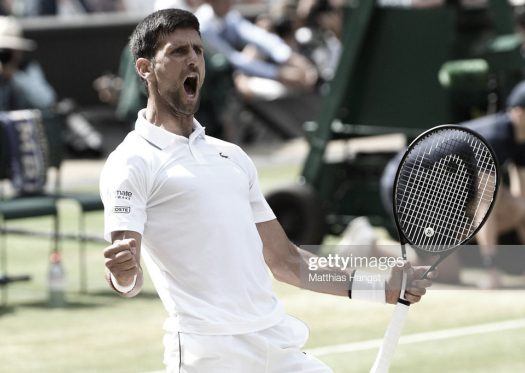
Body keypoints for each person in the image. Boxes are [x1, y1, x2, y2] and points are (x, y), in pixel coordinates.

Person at [100, 9, 436, 372]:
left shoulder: (232, 156)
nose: (194, 59)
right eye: (178, 51)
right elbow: (128, 276)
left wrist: (381, 288)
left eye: (197, 49)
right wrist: (121, 275)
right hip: (208, 354)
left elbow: (287, 261)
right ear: (145, 68)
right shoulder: (131, 162)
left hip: (276, 344)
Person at [379, 78, 525, 288]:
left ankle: (441, 252)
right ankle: (372, 245)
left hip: (447, 194)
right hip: (407, 184)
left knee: (516, 207)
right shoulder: (494, 137)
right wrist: (491, 269)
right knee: (445, 272)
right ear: (519, 114)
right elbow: (485, 205)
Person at [195, 0, 318, 100]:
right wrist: (279, 73)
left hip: (235, 73)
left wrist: (291, 58)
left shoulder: (230, 16)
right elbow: (232, 58)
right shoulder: (203, 27)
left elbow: (260, 38)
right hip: (212, 89)